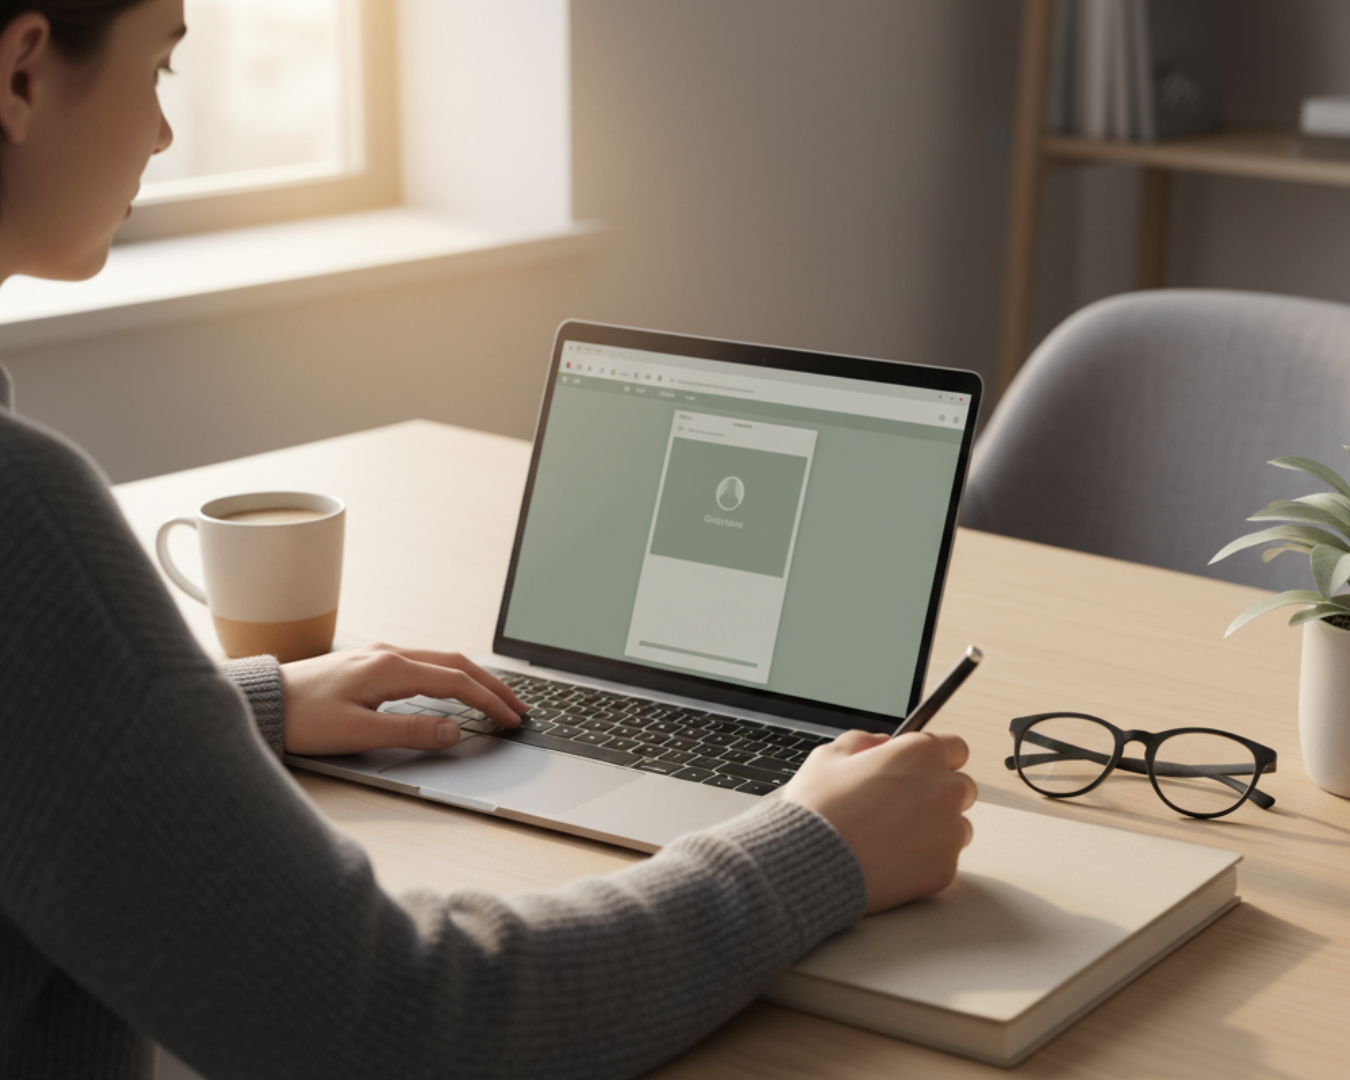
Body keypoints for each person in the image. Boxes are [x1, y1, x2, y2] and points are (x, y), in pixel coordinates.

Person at [0, 1, 978, 1077]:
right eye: (160, 69)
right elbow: (398, 1021)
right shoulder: (21, 514)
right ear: (23, 75)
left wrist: (248, 708)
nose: (163, 133)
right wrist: (817, 852)